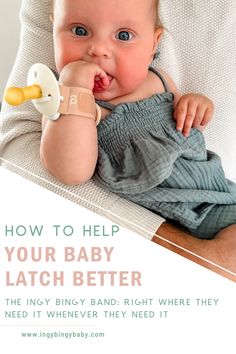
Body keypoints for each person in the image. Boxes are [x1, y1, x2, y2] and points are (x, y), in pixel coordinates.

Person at [40, 0, 236, 240]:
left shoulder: (159, 80)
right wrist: (74, 86)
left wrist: (195, 104)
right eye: (80, 31)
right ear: (53, 32)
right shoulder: (65, 104)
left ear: (154, 44)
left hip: (218, 191)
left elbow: (188, 124)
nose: (98, 49)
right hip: (171, 221)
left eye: (123, 35)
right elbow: (70, 172)